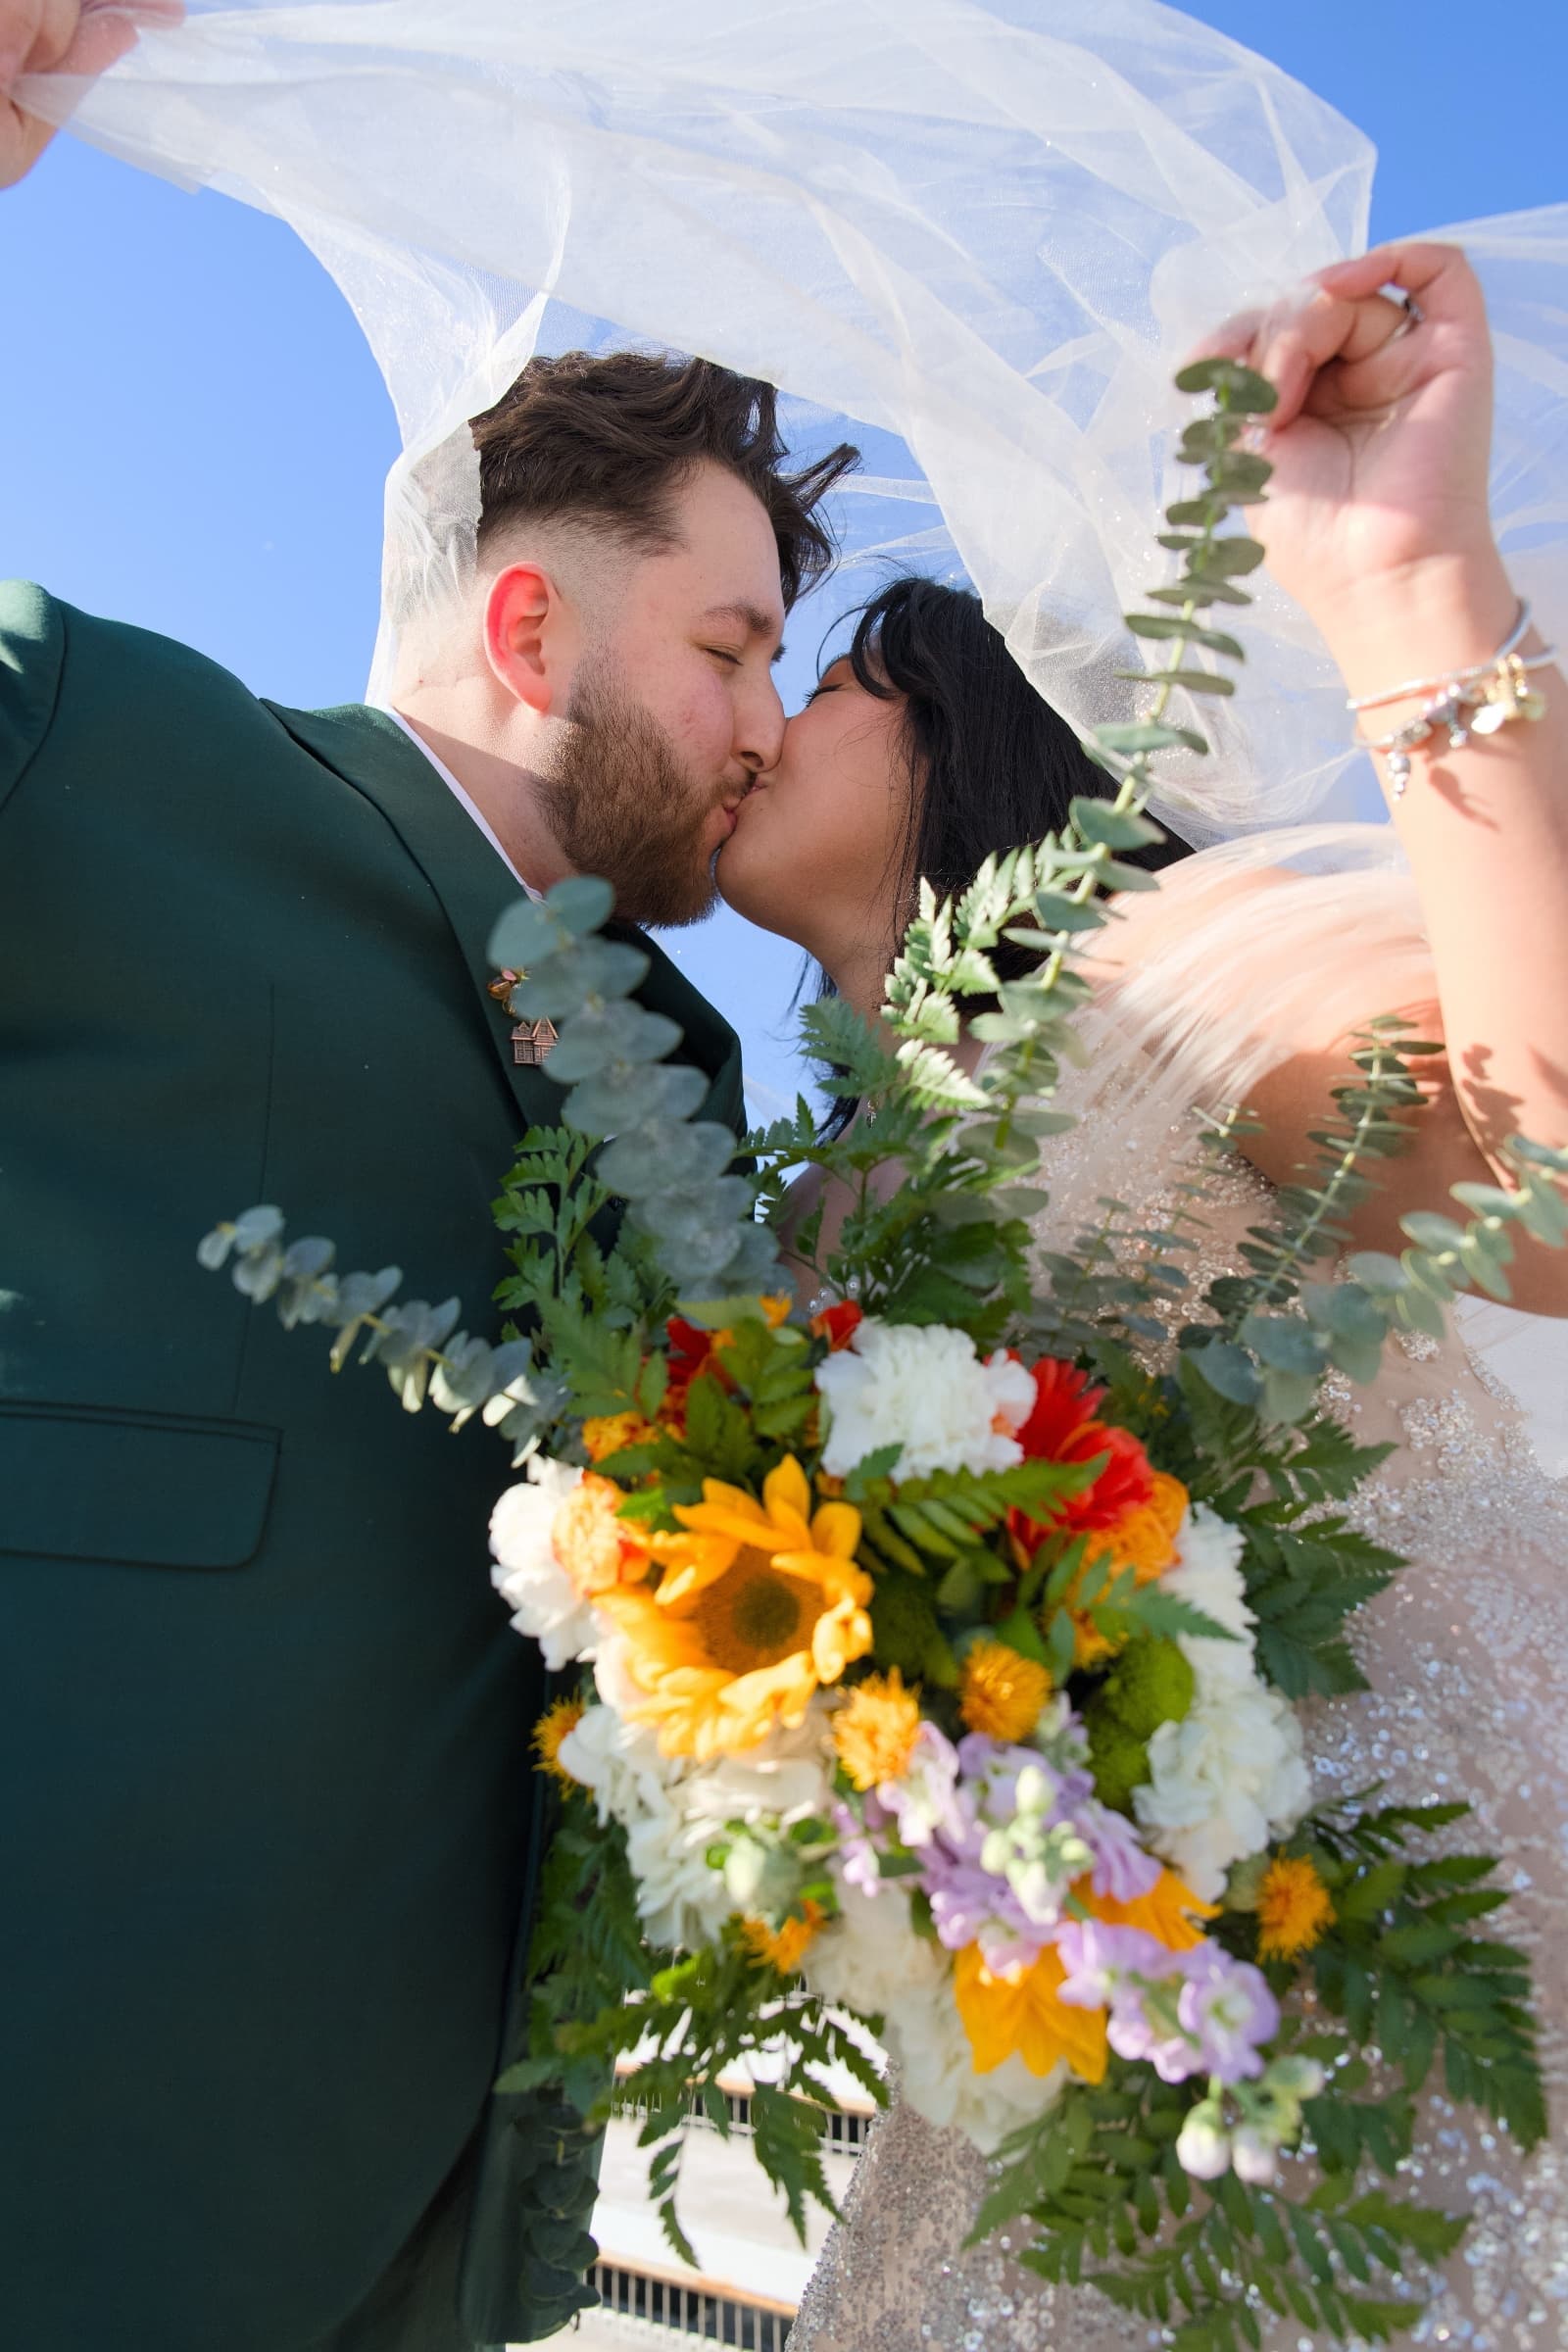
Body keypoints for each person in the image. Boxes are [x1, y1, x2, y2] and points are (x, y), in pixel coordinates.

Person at [0, 14, 857, 2350]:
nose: (765, 721)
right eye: (725, 646)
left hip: (447, 2234)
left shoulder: (688, 1067)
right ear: (522, 626)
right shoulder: (104, 738)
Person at [716, 242, 1568, 2347]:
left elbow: (1543, 1188)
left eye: (819, 678)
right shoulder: (820, 1205)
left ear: (963, 738)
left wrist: (1404, 601)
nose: (759, 721)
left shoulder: (1154, 971)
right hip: (1051, 2080)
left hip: (1390, 2033)